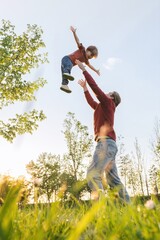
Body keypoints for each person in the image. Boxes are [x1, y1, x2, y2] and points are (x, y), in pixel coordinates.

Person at [76, 59, 130, 203]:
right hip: (110, 145)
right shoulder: (102, 107)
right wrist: (85, 89)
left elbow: (96, 88)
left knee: (93, 175)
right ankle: (129, 208)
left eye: (109, 92)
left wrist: (84, 69)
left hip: (106, 144)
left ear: (112, 97)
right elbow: (92, 103)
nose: (106, 92)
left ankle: (100, 209)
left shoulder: (108, 103)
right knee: (114, 182)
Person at [60, 26, 100, 94]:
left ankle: (64, 85)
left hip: (67, 66)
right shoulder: (82, 49)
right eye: (91, 54)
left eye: (92, 57)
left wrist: (96, 70)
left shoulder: (85, 60)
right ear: (88, 50)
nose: (90, 57)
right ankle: (66, 74)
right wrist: (74, 33)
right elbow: (77, 41)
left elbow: (90, 66)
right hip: (66, 59)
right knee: (68, 67)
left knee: (65, 76)